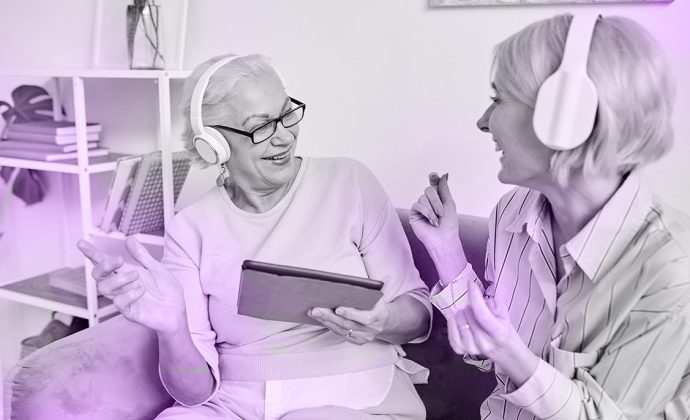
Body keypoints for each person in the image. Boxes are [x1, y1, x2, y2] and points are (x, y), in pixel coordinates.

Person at [78, 54, 430, 420]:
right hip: (235, 404)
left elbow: (420, 315)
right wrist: (172, 327)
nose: (284, 136)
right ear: (213, 144)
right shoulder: (190, 230)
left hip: (355, 394)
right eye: (260, 126)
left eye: (286, 114)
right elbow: (193, 394)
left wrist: (384, 319)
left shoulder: (348, 182)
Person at [410, 14, 690, 419]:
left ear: (565, 115)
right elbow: (486, 354)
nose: (483, 122)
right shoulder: (512, 213)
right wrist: (446, 249)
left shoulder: (671, 270)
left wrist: (510, 351)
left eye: (499, 98)